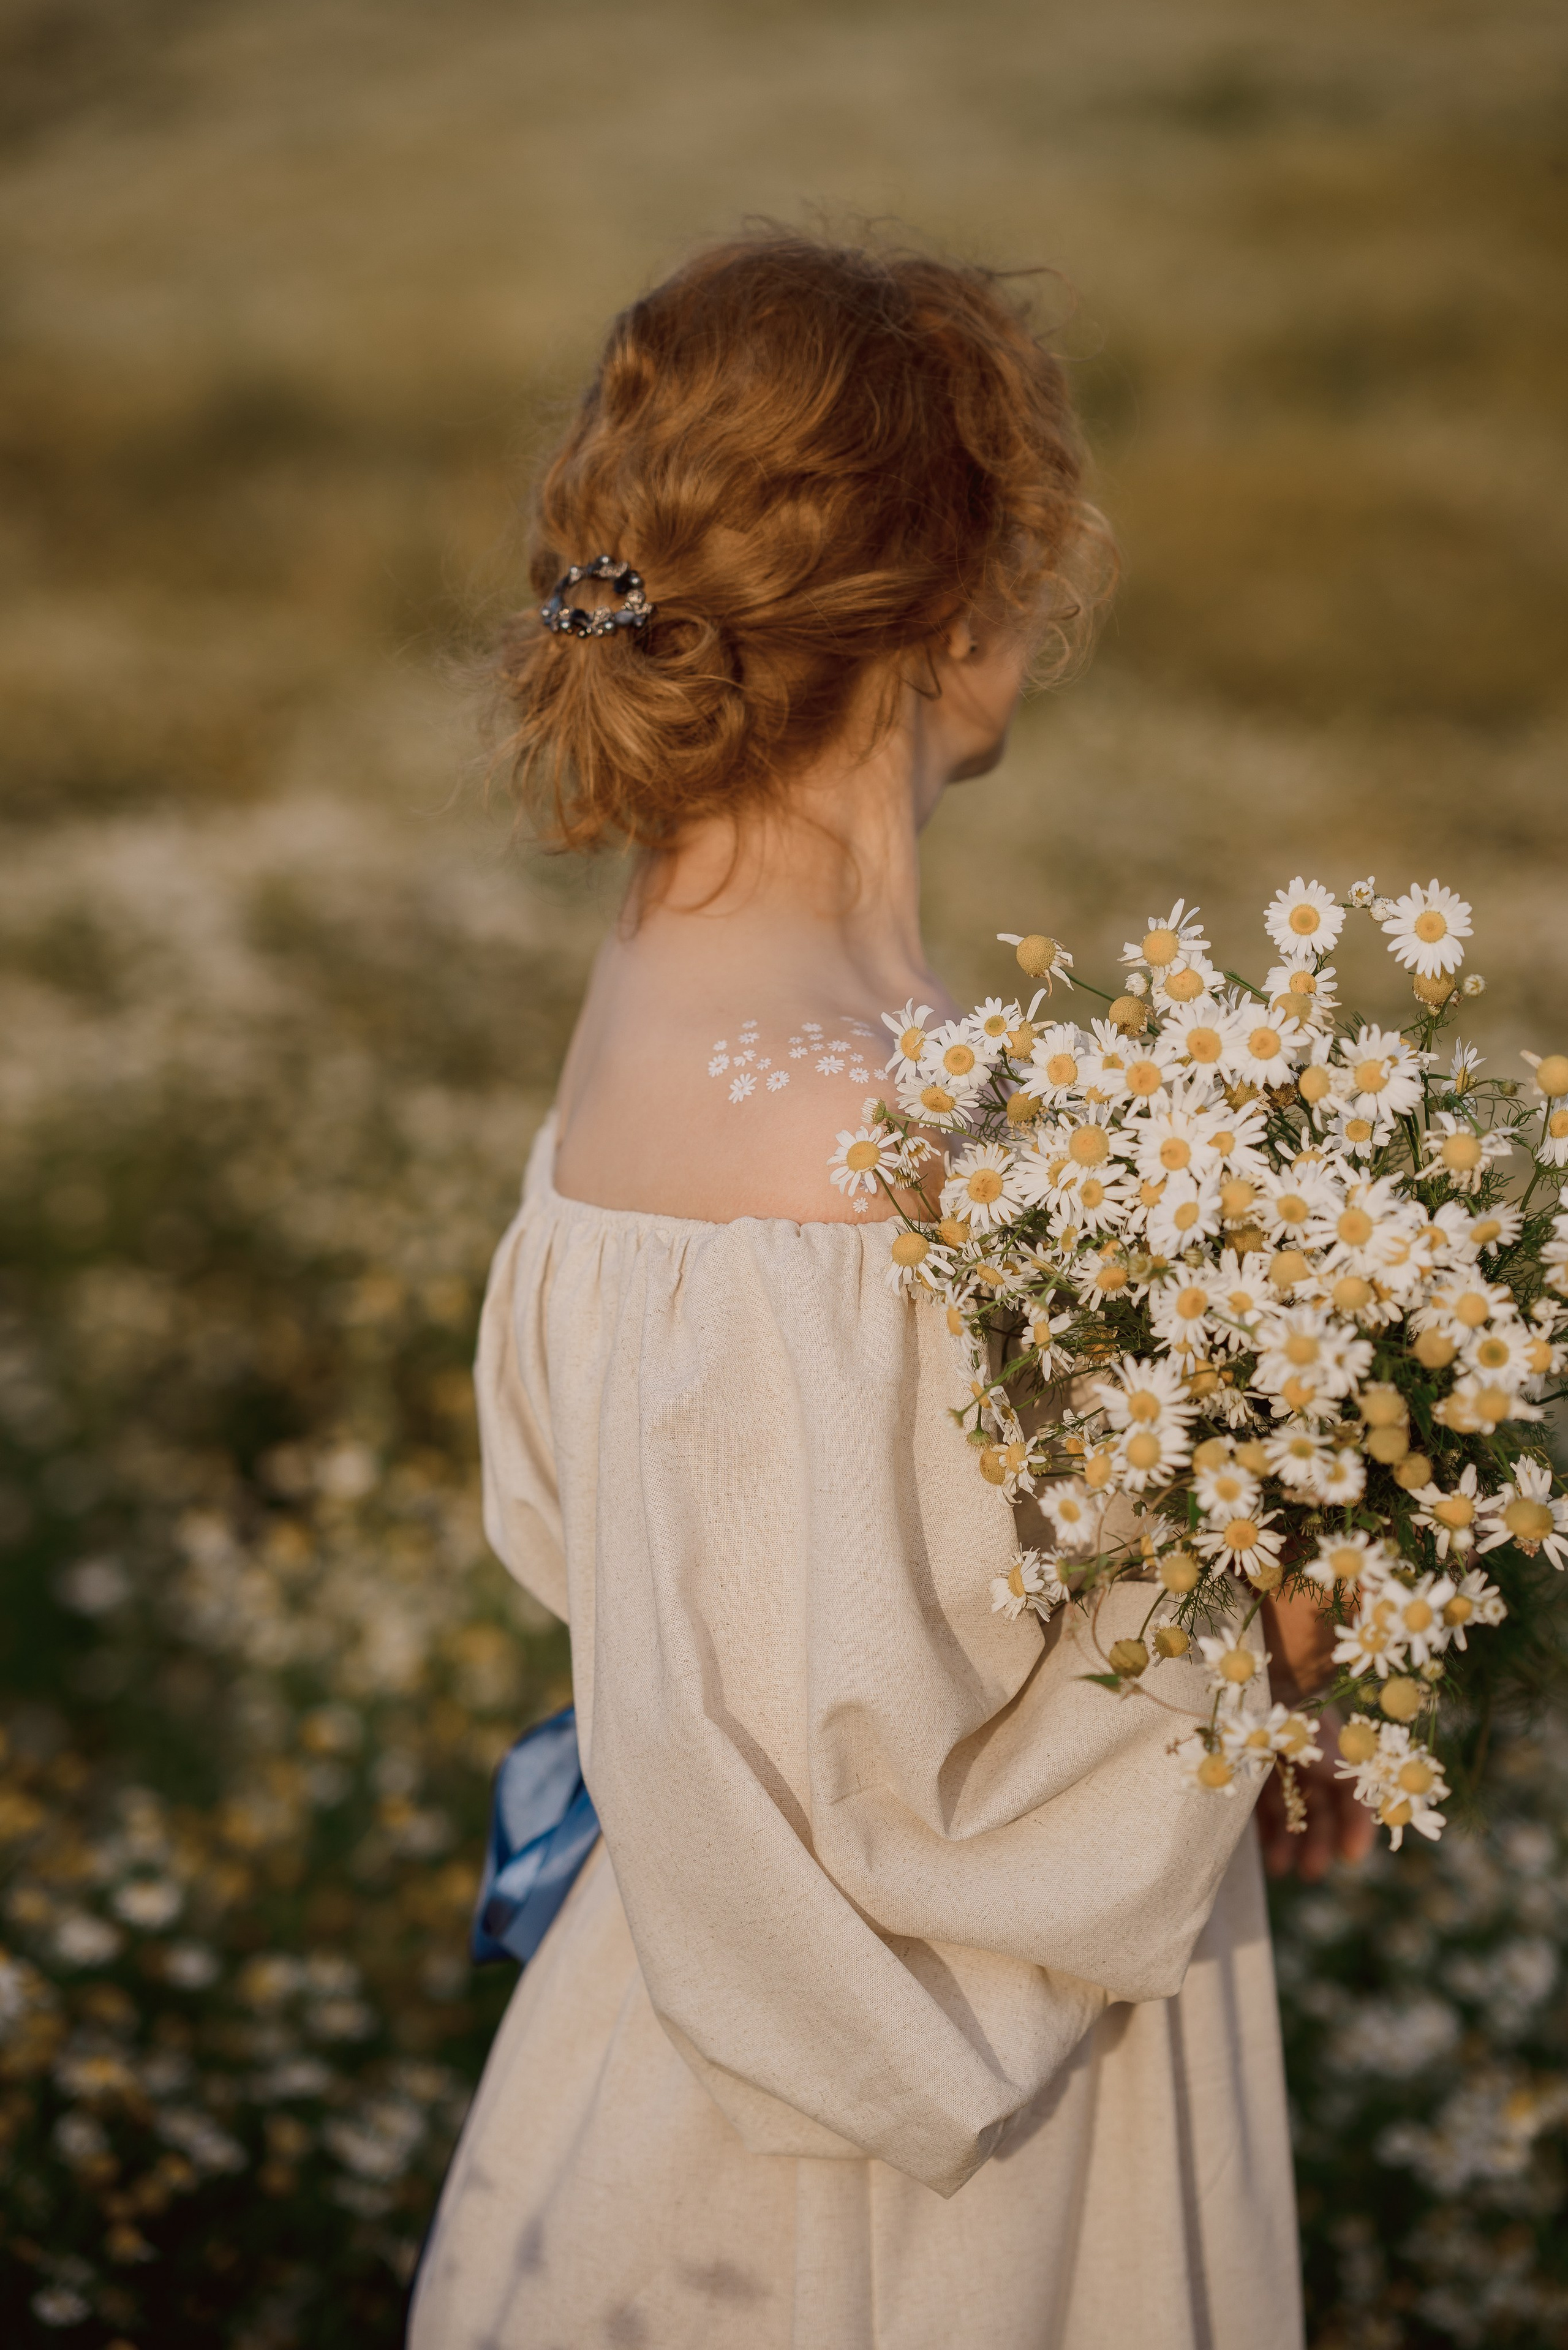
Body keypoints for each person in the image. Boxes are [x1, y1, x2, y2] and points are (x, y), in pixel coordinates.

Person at [410, 230, 1358, 2350]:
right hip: (901, 2197)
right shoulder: (893, 1138)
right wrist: (1294, 1630)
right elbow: (918, 1816)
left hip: (655, 2070)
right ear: (956, 606)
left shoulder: (670, 993)